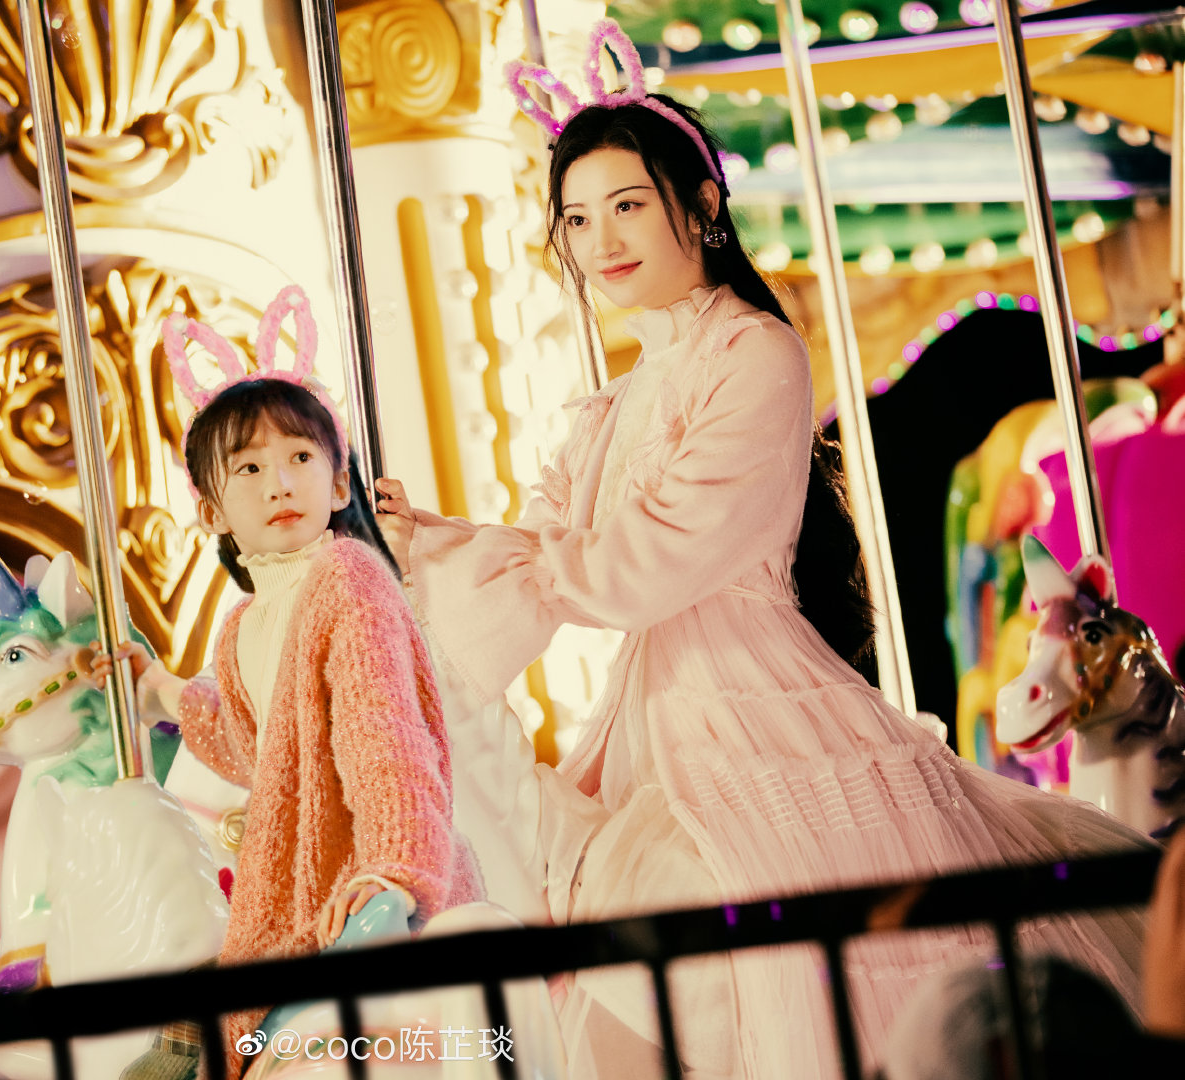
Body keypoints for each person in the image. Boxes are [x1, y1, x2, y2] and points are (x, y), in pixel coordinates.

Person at [373, 19, 1149, 1079]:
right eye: (578, 218)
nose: (601, 240)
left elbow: (661, 549)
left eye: (628, 205)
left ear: (702, 205)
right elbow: (551, 533)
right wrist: (431, 541)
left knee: (758, 944)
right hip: (650, 710)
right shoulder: (619, 396)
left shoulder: (756, 351)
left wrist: (513, 580)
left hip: (749, 699)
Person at [104, 285, 483, 1077]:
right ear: (211, 513)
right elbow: (255, 749)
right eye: (248, 468)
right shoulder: (241, 625)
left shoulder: (347, 578)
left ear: (339, 485)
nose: (279, 482)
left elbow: (384, 738)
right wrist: (160, 691)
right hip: (293, 896)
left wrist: (392, 870)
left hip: (363, 881)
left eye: (300, 458)